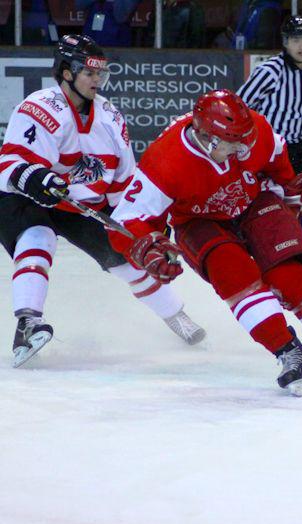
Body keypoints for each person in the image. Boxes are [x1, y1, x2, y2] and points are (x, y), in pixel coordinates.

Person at [108, 89, 302, 396]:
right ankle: (289, 352)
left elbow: (278, 161)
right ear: (209, 139)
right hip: (200, 221)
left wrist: (293, 195)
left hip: (253, 201)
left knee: (291, 281)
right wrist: (147, 246)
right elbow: (125, 222)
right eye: (233, 143)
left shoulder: (254, 129)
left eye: (245, 138)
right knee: (236, 278)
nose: (243, 148)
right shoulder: (165, 161)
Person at [0, 34, 204, 368]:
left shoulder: (110, 118)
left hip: (77, 204)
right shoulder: (38, 108)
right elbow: (8, 165)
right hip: (23, 196)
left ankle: (176, 316)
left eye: (101, 73)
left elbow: (124, 186)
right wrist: (37, 178)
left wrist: (139, 228)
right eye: (90, 73)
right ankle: (27, 324)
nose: (98, 80)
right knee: (39, 236)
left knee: (124, 256)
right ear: (67, 73)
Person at [237, 14, 302, 187]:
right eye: (295, 40)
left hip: (298, 145)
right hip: (267, 149)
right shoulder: (270, 71)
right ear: (286, 43)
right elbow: (239, 105)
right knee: (277, 195)